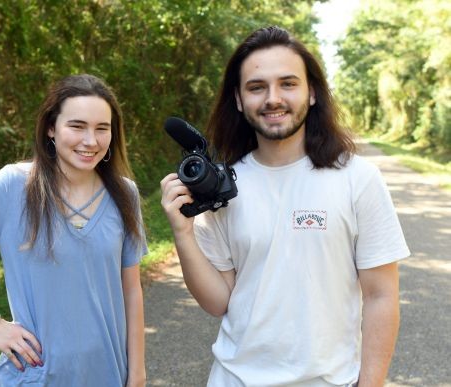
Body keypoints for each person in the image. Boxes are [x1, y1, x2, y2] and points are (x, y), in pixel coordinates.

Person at [161, 26, 410, 387]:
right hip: (233, 379)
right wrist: (183, 234)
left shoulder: (358, 178)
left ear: (311, 93)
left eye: (288, 84)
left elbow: (381, 295)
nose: (272, 98)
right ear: (238, 98)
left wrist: (371, 383)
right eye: (257, 87)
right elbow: (218, 302)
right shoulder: (225, 187)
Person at [0, 74, 147, 386]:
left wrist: (138, 373)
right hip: (34, 377)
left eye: (102, 128)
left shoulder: (124, 193)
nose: (91, 140)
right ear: (51, 127)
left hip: (107, 375)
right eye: (77, 126)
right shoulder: (13, 186)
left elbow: (131, 289)